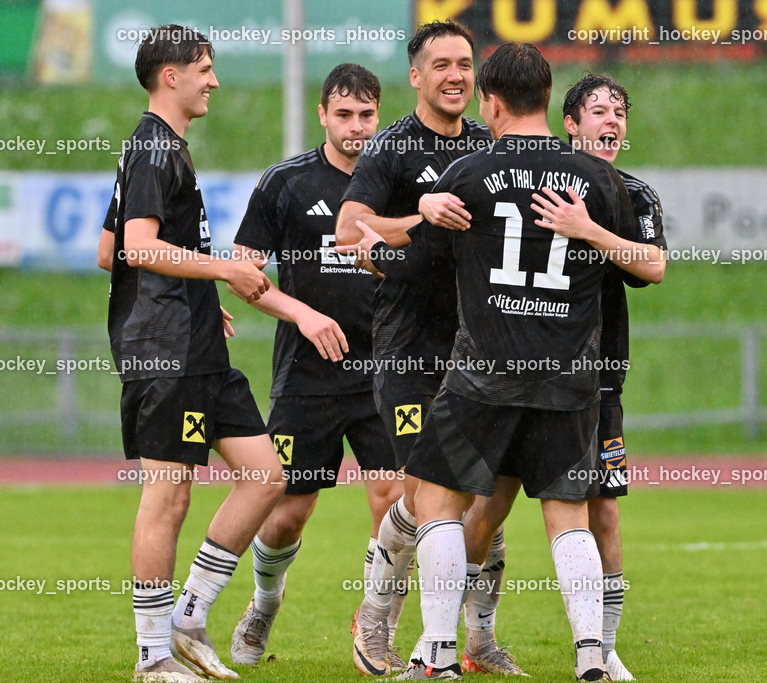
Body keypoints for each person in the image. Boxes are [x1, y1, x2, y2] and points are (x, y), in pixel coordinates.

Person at [346, 42, 656, 681]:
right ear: (550, 100)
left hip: (484, 376)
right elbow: (640, 264)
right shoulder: (600, 181)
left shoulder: (467, 173)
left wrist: (374, 252)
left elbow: (417, 265)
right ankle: (591, 660)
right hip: (572, 379)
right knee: (568, 518)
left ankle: (436, 656)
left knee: (438, 503)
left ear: (490, 102)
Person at [97, 24, 285, 683]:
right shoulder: (153, 149)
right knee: (169, 491)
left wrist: (202, 293)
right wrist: (220, 272)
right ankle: (151, 657)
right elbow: (139, 248)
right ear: (168, 76)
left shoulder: (158, 147)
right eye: (203, 68)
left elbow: (107, 250)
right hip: (166, 351)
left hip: (196, 340)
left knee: (265, 473)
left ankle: (187, 616)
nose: (214, 79)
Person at [334, 20, 521, 677]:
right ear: (416, 76)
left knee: (486, 497)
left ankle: (477, 639)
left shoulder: (489, 143)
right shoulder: (390, 149)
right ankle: (376, 618)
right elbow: (347, 231)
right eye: (441, 64)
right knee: (421, 490)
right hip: (408, 346)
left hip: (479, 344)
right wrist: (421, 213)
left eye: (465, 64)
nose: (456, 76)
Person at [226, 63, 404, 666]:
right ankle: (263, 605)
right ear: (323, 115)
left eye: (367, 115)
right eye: (344, 114)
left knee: (394, 494)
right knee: (285, 514)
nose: (356, 126)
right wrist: (302, 314)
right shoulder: (287, 183)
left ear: (379, 116)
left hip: (387, 369)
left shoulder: (399, 182)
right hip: (310, 373)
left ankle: (373, 621)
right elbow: (243, 273)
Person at [529, 73, 667, 681]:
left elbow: (654, 267)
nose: (611, 121)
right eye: (598, 110)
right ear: (570, 124)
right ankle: (459, 640)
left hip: (598, 380)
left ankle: (603, 649)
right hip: (515, 371)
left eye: (619, 112)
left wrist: (588, 229)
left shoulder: (635, 195)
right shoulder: (534, 182)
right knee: (483, 507)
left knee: (602, 510)